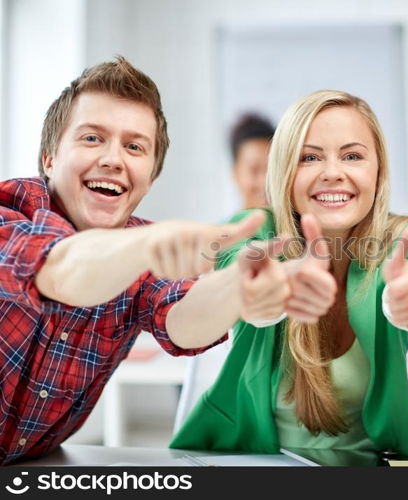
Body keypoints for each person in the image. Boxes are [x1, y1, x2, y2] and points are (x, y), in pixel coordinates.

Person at [0, 57, 265, 464]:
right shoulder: (9, 214)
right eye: (92, 138)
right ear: (50, 157)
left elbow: (183, 322)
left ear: (151, 177)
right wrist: (152, 243)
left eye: (134, 146)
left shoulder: (140, 248)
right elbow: (60, 269)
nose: (113, 159)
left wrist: (236, 289)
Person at [171, 90, 408, 456]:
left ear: (378, 170)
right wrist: (268, 292)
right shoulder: (252, 230)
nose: (333, 173)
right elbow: (238, 268)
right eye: (310, 157)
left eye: (352, 156)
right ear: (284, 171)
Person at [228, 113, 275, 210]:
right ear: (235, 173)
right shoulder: (224, 225)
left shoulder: (298, 223)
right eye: (254, 170)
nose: (264, 182)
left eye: (272, 169)